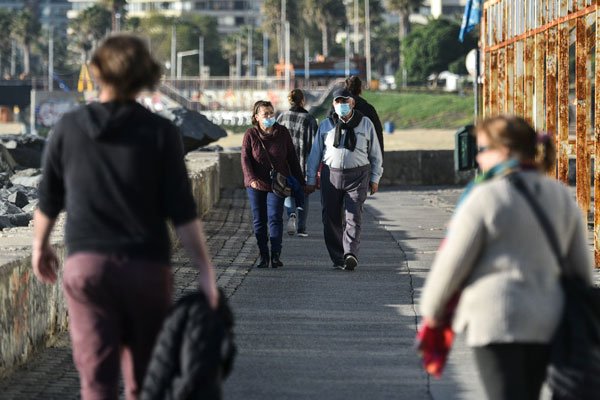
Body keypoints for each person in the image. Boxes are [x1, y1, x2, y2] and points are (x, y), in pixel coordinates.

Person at [32, 34, 218, 400]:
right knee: (145, 381)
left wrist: (40, 246)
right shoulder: (162, 132)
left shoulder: (68, 128)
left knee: (96, 382)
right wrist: (205, 272)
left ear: (97, 70)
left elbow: (48, 201)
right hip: (145, 268)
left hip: (87, 267)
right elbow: (182, 211)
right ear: (145, 75)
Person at [419, 116, 593, 400]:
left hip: (495, 321)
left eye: (484, 149)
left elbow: (452, 264)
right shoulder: (560, 195)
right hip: (547, 320)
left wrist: (433, 313)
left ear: (506, 152)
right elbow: (581, 270)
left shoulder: (485, 197)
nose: (478, 157)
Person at [305, 88, 383, 271]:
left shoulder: (365, 124)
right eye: (338, 102)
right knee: (330, 217)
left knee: (353, 215)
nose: (342, 105)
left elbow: (376, 154)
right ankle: (338, 256)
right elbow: (315, 154)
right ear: (333, 104)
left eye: (345, 101)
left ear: (353, 103)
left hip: (358, 175)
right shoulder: (326, 125)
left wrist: (375, 178)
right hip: (331, 175)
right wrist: (310, 178)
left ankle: (350, 254)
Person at [241, 100, 305, 269]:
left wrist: (300, 182)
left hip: (278, 184)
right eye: (265, 114)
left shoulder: (282, 132)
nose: (269, 116)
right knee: (259, 221)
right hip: (256, 184)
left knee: (275, 218)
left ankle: (276, 254)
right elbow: (245, 159)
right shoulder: (250, 134)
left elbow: (292, 158)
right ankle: (263, 255)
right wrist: (251, 179)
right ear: (257, 117)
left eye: (271, 113)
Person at [276, 89, 318, 237]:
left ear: (289, 101)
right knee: (304, 195)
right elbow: (315, 146)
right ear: (303, 101)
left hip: (285, 164)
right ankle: (301, 228)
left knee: (287, 193)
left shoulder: (282, 117)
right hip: (303, 164)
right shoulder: (310, 119)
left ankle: (291, 214)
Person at [344, 76, 384, 157]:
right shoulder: (368, 109)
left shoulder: (338, 109)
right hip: (363, 157)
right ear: (360, 89)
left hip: (339, 159)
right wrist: (380, 157)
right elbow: (377, 133)